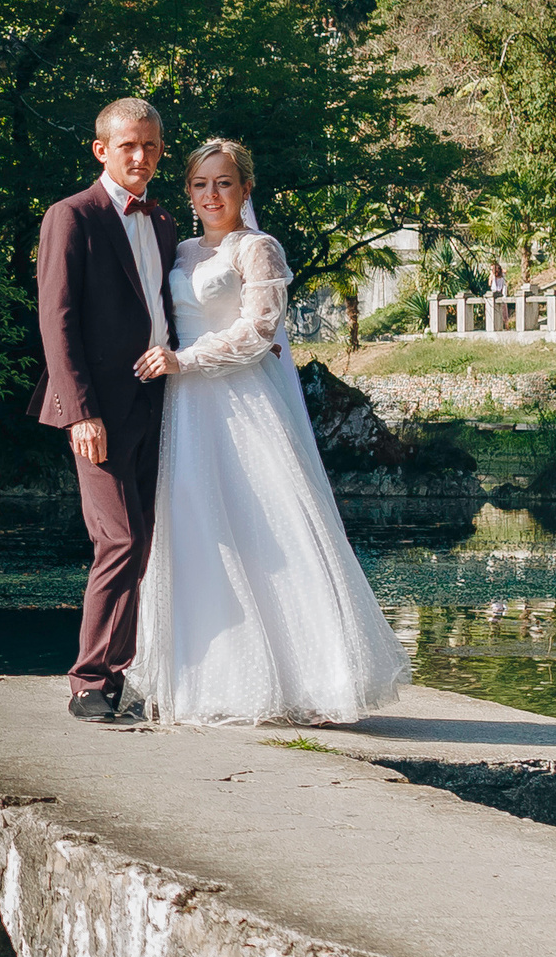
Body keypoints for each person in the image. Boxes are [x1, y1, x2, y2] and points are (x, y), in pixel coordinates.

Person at [128, 139, 410, 725]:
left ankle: (309, 678)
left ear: (245, 189)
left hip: (241, 403)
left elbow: (259, 332)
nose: (212, 194)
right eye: (201, 184)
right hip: (187, 411)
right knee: (199, 531)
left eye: (224, 183)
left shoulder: (257, 249)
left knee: (266, 531)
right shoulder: (178, 251)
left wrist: (186, 359)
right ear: (187, 190)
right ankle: (210, 684)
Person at [29, 98, 179, 724]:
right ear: (102, 151)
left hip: (158, 407)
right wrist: (79, 412)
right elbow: (55, 322)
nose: (140, 157)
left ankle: (117, 675)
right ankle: (88, 680)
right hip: (96, 412)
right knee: (117, 538)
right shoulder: (72, 216)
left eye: (150, 146)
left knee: (141, 546)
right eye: (128, 147)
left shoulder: (165, 221)